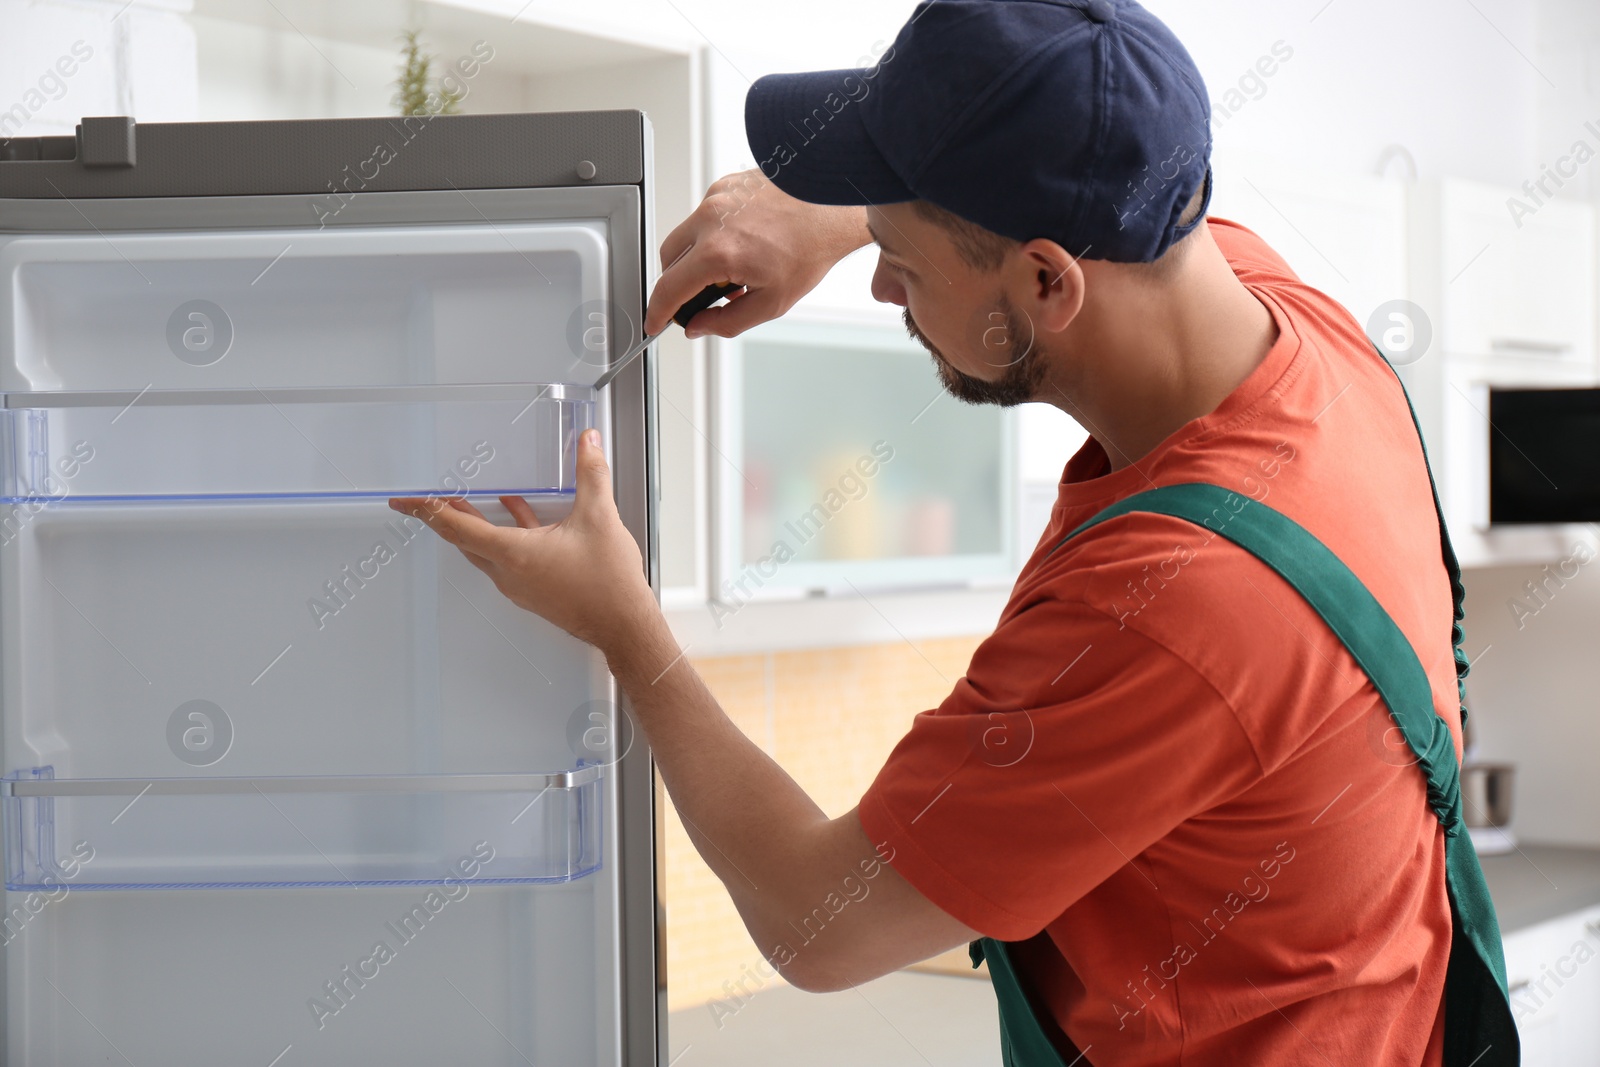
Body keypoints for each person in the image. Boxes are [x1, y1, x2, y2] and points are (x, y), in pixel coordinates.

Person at [393, 1, 1516, 1063]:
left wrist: (625, 628)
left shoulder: (1177, 602)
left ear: (1045, 278)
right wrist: (839, 213)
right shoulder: (1288, 319)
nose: (881, 285)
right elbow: (1094, 201)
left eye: (902, 259)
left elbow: (815, 920)